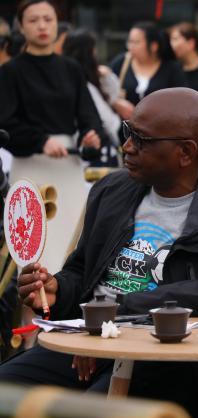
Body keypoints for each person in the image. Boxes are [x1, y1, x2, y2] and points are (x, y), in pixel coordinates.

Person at [0, 87, 198, 418]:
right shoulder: (113, 189)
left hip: (167, 356)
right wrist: (57, 289)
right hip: (89, 343)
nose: (127, 146)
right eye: (127, 131)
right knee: (7, 400)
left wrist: (113, 313)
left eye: (141, 139)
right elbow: (82, 270)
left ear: (185, 152)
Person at [0, 0, 103, 273]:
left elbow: (89, 116)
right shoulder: (10, 72)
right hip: (30, 167)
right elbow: (6, 123)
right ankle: (33, 300)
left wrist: (91, 136)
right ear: (21, 27)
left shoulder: (71, 69)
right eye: (34, 20)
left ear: (57, 23)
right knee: (33, 246)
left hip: (68, 166)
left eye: (48, 19)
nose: (42, 26)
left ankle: (70, 298)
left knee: (72, 240)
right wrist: (40, 141)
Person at [62, 29, 121, 148]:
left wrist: (107, 75)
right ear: (87, 53)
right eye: (93, 49)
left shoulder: (92, 77)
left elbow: (114, 93)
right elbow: (107, 121)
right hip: (91, 145)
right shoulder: (85, 85)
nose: (96, 53)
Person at [109, 21, 186, 112]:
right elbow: (104, 90)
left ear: (154, 46)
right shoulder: (121, 62)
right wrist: (116, 102)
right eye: (130, 42)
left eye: (136, 42)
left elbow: (181, 101)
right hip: (124, 121)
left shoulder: (172, 69)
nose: (131, 47)